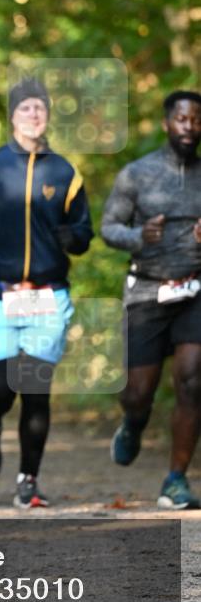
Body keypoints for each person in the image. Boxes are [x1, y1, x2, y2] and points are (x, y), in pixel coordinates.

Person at [0, 78, 93, 508]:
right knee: (0, 387)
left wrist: (73, 238)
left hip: (48, 296)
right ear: (12, 115)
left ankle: (28, 481)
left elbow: (84, 232)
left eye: (40, 108)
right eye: (26, 107)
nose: (34, 114)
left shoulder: (64, 172)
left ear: (48, 116)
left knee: (34, 389)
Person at [101, 90, 201, 510]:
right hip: (146, 290)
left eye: (196, 120)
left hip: (195, 290)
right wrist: (139, 236)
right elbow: (108, 228)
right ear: (167, 123)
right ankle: (134, 421)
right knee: (138, 391)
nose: (189, 127)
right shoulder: (137, 174)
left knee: (193, 381)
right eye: (182, 119)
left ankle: (175, 480)